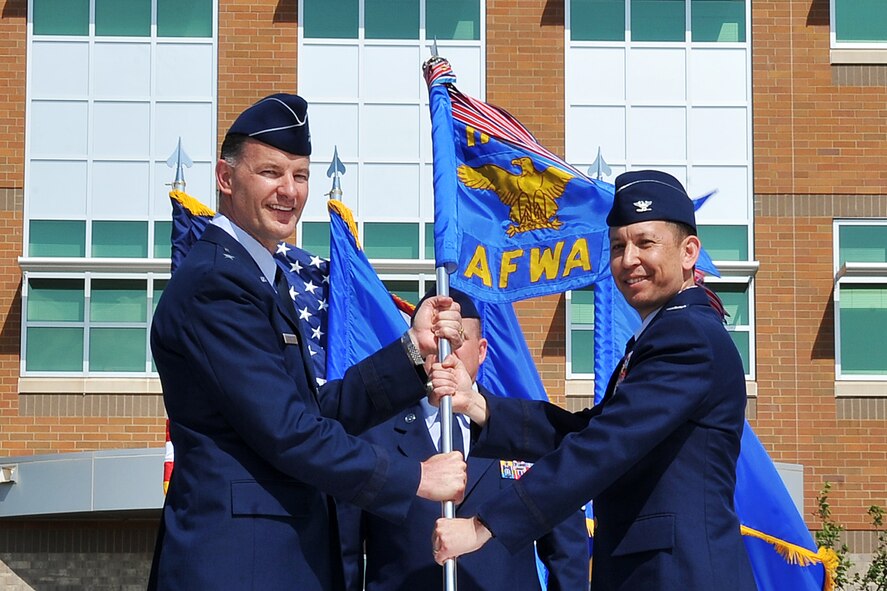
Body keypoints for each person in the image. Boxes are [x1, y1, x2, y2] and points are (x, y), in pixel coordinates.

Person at [148, 93, 467, 591]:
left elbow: (314, 412)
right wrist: (415, 479)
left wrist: (412, 351)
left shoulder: (259, 278)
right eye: (271, 172)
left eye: (300, 176)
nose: (289, 191)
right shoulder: (215, 284)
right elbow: (288, 431)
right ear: (225, 178)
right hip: (241, 566)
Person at [429, 170, 757, 590]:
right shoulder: (663, 334)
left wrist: (483, 526)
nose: (628, 259)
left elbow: (604, 446)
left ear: (689, 251)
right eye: (618, 246)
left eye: (645, 242)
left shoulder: (685, 336)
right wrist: (477, 404)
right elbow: (591, 431)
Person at [336, 289, 590, 591]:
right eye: (436, 337)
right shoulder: (373, 432)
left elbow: (566, 548)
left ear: (481, 351)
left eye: (456, 340)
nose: (445, 351)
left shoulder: (525, 432)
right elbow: (346, 550)